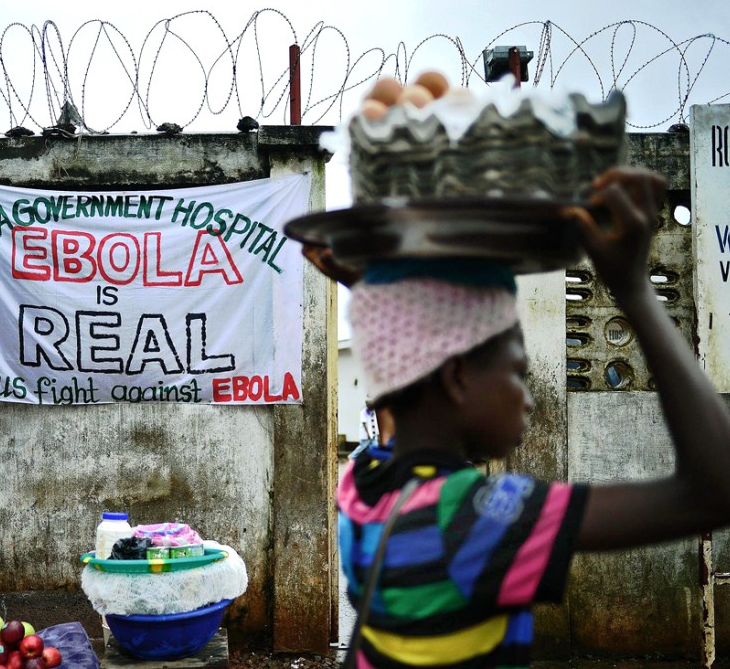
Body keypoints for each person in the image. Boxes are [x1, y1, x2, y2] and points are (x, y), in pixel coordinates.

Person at [304, 85, 730, 668]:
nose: (528, 400)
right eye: (518, 374)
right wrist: (632, 288)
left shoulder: (363, 484)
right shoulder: (473, 518)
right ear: (454, 376)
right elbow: (716, 489)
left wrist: (380, 288)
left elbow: (412, 352)